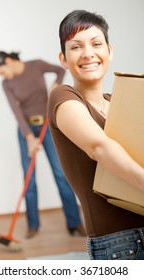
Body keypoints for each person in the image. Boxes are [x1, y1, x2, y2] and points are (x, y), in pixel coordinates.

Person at [47, 10, 144, 260]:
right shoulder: (63, 97)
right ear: (63, 58)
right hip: (120, 244)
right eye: (76, 46)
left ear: (109, 51)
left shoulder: (117, 103)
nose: (88, 53)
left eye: (96, 44)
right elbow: (98, 147)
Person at [0, 51, 85, 238]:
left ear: (8, 61)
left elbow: (60, 69)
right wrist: (29, 138)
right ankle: (33, 225)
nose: (3, 76)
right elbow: (16, 111)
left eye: (2, 71)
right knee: (29, 178)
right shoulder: (7, 83)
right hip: (26, 130)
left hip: (47, 126)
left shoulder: (36, 65)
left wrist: (56, 83)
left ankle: (74, 223)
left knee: (60, 173)